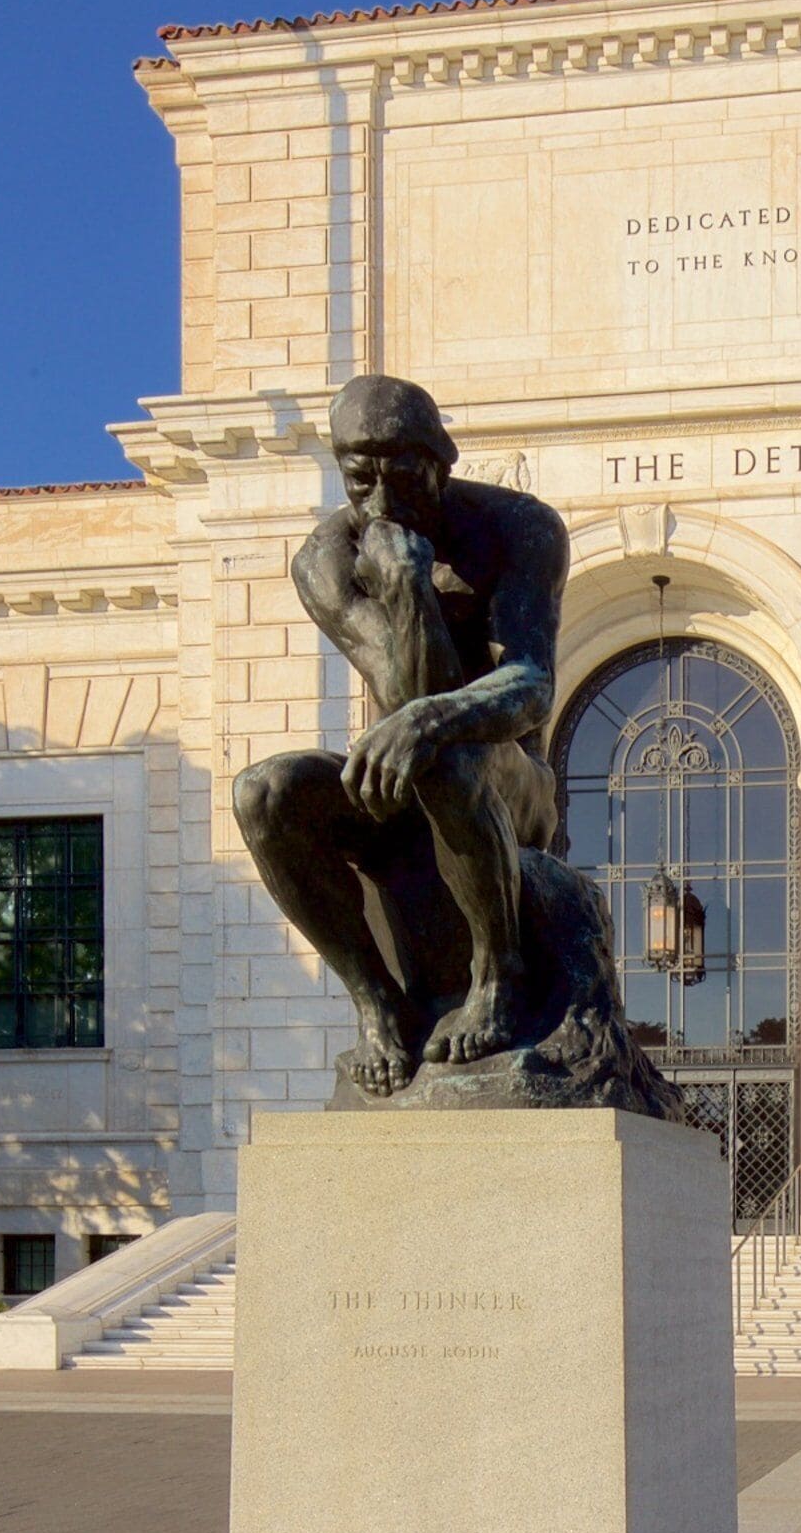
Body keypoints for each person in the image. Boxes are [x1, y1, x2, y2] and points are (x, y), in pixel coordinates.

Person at [231, 374, 570, 1095]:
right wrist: (406, 588)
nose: (383, 505)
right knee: (263, 794)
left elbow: (530, 689)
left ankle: (496, 975)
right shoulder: (325, 561)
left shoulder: (520, 529)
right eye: (360, 483)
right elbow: (401, 688)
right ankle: (375, 1000)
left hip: (513, 784)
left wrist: (427, 708)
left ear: (441, 463)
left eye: (403, 479)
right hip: (402, 775)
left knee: (445, 751)